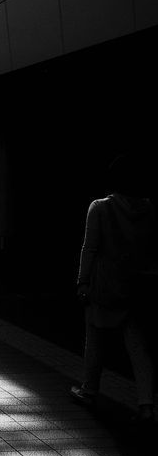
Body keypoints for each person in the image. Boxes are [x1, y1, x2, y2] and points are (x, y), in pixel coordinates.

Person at [71, 154, 156, 425]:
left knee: (95, 338)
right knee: (139, 348)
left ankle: (89, 390)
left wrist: (82, 282)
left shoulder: (99, 207)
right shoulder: (149, 208)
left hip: (104, 284)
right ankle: (146, 404)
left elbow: (90, 248)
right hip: (136, 284)